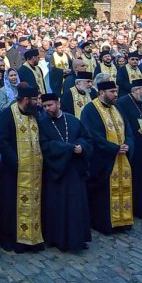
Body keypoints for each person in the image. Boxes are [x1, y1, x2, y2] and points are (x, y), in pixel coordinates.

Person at [37, 91, 93, 252]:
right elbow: (45, 145)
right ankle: (57, 238)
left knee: (76, 206)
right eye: (45, 106)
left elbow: (86, 138)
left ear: (58, 104)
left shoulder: (73, 120)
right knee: (57, 206)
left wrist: (81, 147)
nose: (47, 108)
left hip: (74, 170)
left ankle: (78, 238)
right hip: (56, 172)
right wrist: (69, 149)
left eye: (50, 105)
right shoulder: (42, 123)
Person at [0, 84, 45, 252]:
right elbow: (1, 141)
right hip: (13, 170)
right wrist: (16, 160)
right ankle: (10, 238)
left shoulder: (34, 114)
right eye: (35, 99)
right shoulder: (9, 114)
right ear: (25, 99)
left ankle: (32, 237)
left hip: (34, 170)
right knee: (10, 205)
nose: (37, 103)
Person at [80, 80, 134, 235]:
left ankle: (122, 222)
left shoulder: (116, 108)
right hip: (102, 160)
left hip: (121, 157)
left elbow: (128, 129)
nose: (116, 94)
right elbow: (92, 135)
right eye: (112, 92)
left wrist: (128, 144)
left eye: (116, 91)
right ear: (102, 92)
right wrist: (115, 148)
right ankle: (104, 223)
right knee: (103, 194)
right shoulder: (90, 109)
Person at [118, 78, 142, 219]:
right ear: (135, 90)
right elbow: (121, 124)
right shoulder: (123, 102)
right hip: (133, 146)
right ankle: (132, 208)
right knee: (134, 177)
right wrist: (135, 132)